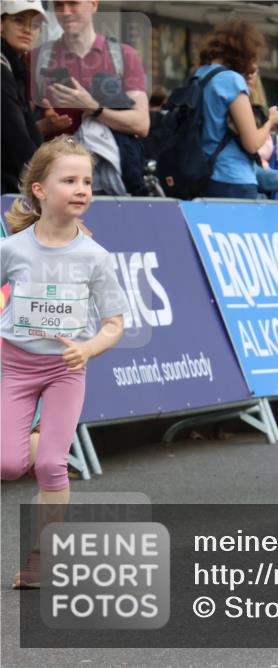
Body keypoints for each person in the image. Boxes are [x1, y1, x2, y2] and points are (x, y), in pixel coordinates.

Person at [1, 136, 127, 588]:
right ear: (39, 189)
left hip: (64, 370)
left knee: (53, 467)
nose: (82, 189)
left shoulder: (95, 256)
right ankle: (35, 441)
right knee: (8, 465)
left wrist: (88, 348)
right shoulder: (12, 249)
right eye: (69, 180)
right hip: (12, 367)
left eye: (88, 182)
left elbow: (115, 323)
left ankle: (41, 559)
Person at [32, 0, 149, 194]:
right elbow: (19, 130)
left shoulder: (123, 56)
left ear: (93, 5)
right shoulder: (38, 58)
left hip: (109, 181)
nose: (65, 12)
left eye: (73, 4)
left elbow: (141, 124)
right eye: (59, 5)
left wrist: (93, 108)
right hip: (54, 183)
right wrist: (44, 127)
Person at [192, 21, 278, 199]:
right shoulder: (231, 80)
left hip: (203, 173)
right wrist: (270, 121)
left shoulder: (200, 74)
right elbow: (251, 144)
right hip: (233, 177)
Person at [1, 0, 47, 194]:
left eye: (35, 25)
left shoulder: (15, 68)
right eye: (19, 21)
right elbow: (17, 145)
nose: (28, 30)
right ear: (1, 24)